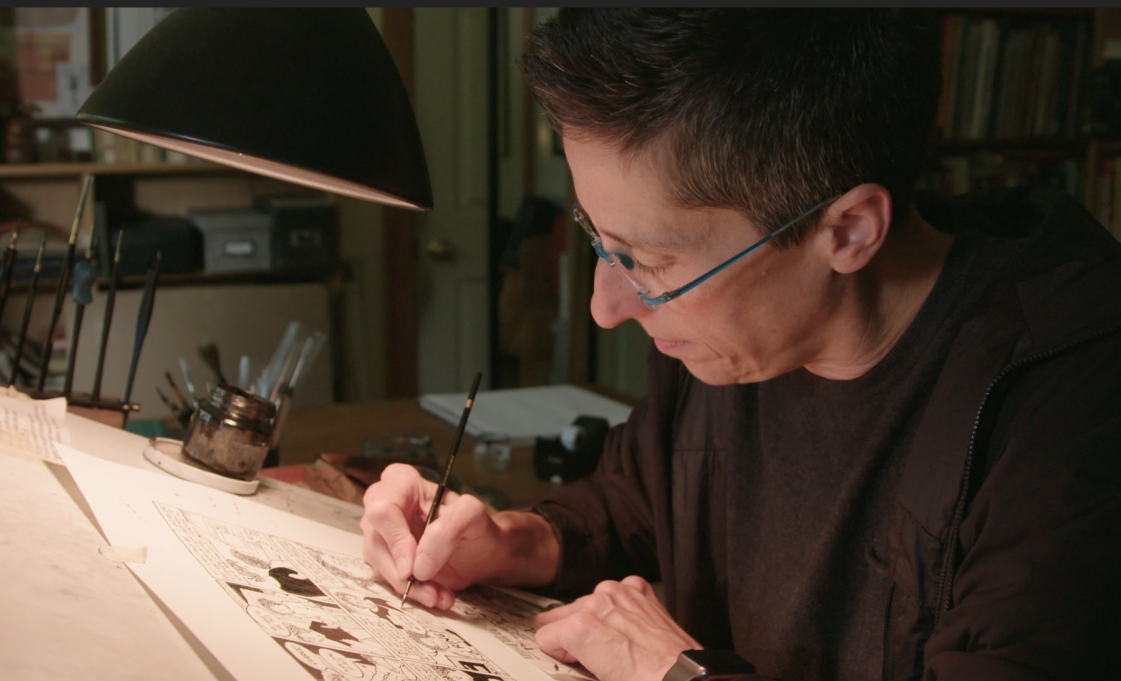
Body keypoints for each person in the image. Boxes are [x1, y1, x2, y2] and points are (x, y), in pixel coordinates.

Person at [359, 9, 1121, 681]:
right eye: (601, 237)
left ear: (849, 231)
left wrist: (678, 674)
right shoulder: (731, 337)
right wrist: (513, 539)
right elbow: (639, 498)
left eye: (649, 263)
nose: (605, 306)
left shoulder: (1071, 413)